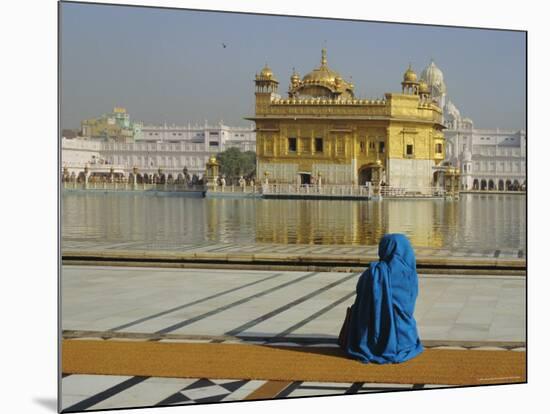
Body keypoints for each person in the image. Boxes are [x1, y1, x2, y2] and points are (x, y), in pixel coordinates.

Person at [339, 233, 423, 364]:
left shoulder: (374, 273)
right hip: (405, 340)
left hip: (370, 338)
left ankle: (373, 344)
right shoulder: (410, 274)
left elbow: (361, 295)